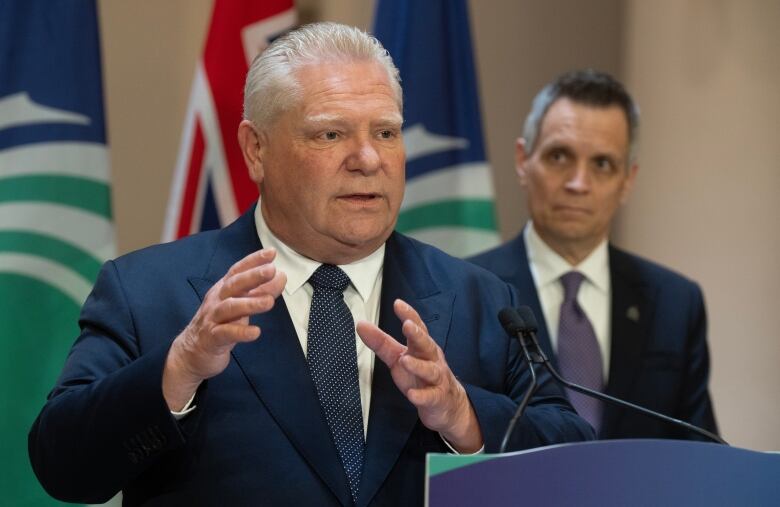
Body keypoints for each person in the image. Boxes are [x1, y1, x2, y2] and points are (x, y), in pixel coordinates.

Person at [28, 23, 592, 506]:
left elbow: (575, 464)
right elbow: (62, 465)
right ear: (257, 150)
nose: (368, 160)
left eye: (386, 133)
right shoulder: (148, 292)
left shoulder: (480, 299)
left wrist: (464, 417)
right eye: (331, 133)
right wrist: (178, 369)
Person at [469, 69, 718, 441]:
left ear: (628, 180)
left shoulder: (675, 304)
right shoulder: (470, 290)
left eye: (602, 164)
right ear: (523, 160)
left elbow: (702, 453)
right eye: (559, 156)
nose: (578, 184)